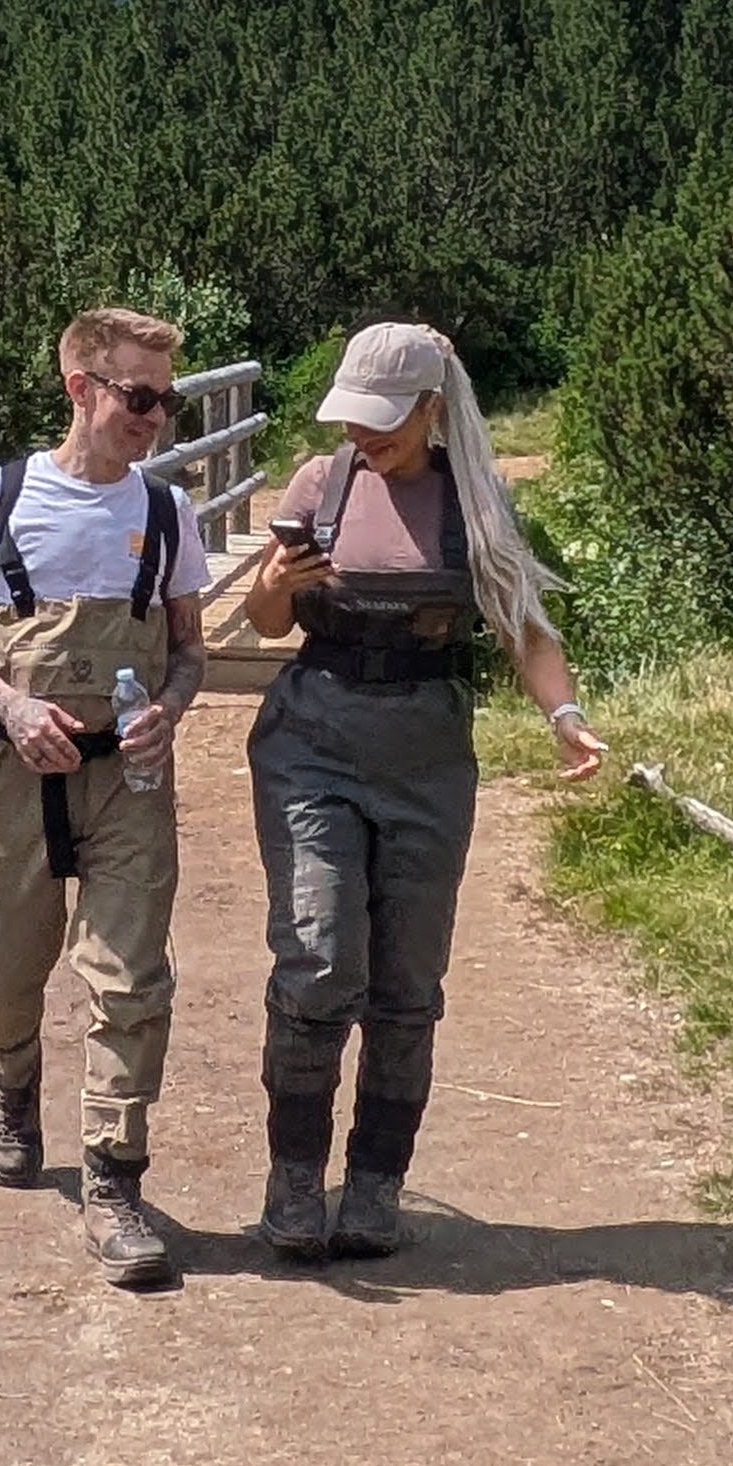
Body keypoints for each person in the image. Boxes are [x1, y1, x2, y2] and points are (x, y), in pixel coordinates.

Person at [238, 322, 605, 1262]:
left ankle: (375, 1186)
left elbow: (525, 626)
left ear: (431, 409)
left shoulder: (473, 504)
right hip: (312, 742)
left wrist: (564, 717)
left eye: (384, 421)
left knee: (407, 985)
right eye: (353, 418)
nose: (364, 436)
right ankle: (294, 1180)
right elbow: (266, 623)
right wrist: (277, 580)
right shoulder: (321, 485)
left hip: (427, 755)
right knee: (320, 962)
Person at [0, 306, 210, 1289]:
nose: (155, 416)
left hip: (128, 779)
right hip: (12, 771)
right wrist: (7, 701)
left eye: (167, 400)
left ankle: (113, 1183)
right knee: (1, 972)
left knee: (130, 980)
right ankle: (11, 1081)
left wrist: (170, 708)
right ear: (81, 388)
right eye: (139, 395)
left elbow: (190, 648)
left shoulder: (166, 513)